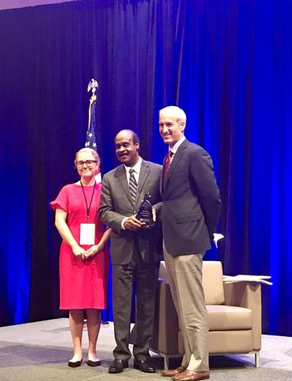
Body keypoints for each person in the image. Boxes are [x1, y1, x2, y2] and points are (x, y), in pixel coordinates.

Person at [158, 106, 221, 381]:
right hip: (171, 240)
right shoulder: (169, 157)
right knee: (181, 306)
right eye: (161, 125)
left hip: (189, 239)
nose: (164, 129)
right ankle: (188, 360)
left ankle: (200, 364)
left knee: (193, 306)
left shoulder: (194, 153)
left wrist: (205, 231)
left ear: (182, 125)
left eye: (169, 124)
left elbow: (212, 198)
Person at [99, 129, 162, 374]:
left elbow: (167, 201)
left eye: (126, 144)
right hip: (122, 249)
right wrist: (125, 221)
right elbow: (104, 211)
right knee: (121, 306)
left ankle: (142, 355)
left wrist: (153, 212)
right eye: (117, 146)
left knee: (147, 305)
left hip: (149, 249)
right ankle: (121, 355)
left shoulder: (157, 171)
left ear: (137, 145)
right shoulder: (109, 177)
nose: (121, 149)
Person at [50, 148, 111, 368]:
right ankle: (76, 352)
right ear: (75, 165)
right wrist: (75, 245)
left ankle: (92, 351)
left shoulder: (105, 190)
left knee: (94, 304)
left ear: (97, 164)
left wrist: (99, 246)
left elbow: (112, 222)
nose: (85, 166)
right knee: (74, 303)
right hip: (71, 252)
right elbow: (59, 221)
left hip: (97, 252)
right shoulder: (67, 190)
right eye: (81, 162)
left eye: (89, 162)